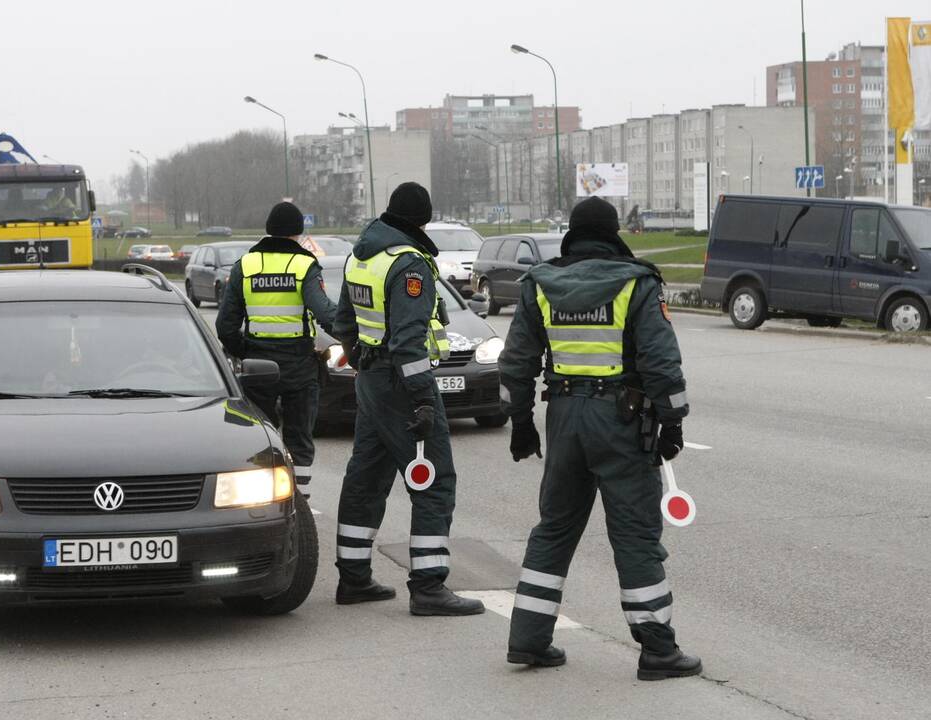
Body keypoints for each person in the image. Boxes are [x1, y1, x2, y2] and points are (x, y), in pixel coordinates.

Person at [499, 196, 700, 680]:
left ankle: (528, 640)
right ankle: (657, 649)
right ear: (613, 234)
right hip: (622, 421)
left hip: (564, 417)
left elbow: (516, 363)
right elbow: (660, 362)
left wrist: (521, 422)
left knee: (554, 527)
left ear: (572, 235)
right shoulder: (637, 284)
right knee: (633, 533)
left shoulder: (539, 286)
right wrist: (672, 422)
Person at [331, 182, 484, 617]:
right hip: (402, 384)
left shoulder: (362, 256)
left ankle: (354, 577)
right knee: (434, 482)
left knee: (366, 478)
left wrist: (363, 359)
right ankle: (429, 586)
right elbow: (408, 343)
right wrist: (421, 400)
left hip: (372, 382)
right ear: (422, 221)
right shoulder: (409, 264)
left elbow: (345, 321)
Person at [216, 201, 336, 496]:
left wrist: (246, 351)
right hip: (299, 366)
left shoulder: (245, 265)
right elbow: (325, 313)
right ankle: (301, 500)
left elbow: (225, 326)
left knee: (260, 437)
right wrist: (353, 337)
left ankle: (263, 498)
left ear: (268, 231)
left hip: (258, 368)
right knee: (299, 439)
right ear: (298, 233)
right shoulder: (304, 265)